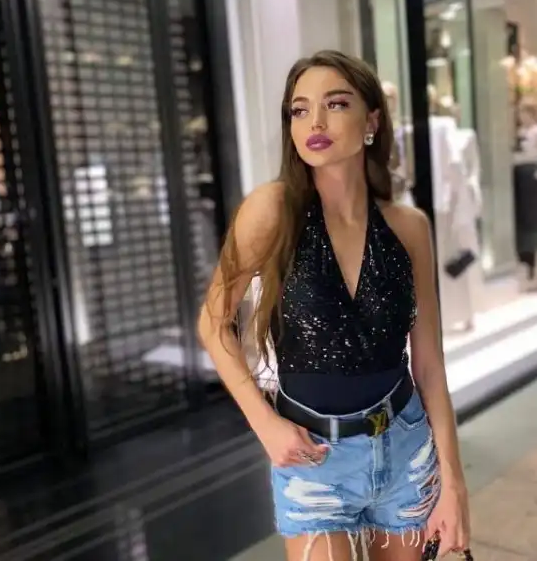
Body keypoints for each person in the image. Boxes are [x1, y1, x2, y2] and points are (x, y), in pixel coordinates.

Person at [198, 51, 470, 561]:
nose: (315, 123)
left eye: (336, 104)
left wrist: (453, 481)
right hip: (312, 457)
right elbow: (213, 324)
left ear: (371, 121)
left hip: (405, 446)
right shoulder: (271, 211)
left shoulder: (409, 227)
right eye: (299, 110)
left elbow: (430, 367)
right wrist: (265, 424)